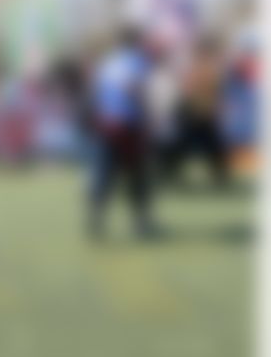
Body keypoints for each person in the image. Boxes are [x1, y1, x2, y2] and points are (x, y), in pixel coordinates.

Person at [86, 26, 160, 240]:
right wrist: (149, 119)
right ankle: (141, 223)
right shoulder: (139, 61)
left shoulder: (107, 62)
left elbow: (97, 93)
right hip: (130, 125)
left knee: (104, 174)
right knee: (137, 176)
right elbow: (139, 91)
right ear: (137, 42)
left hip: (107, 124)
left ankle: (96, 220)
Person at [165, 35, 231, 189]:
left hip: (203, 114)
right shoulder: (202, 68)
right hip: (196, 114)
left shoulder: (206, 68)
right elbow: (187, 90)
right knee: (188, 147)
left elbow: (217, 92)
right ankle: (173, 173)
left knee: (213, 149)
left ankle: (220, 177)